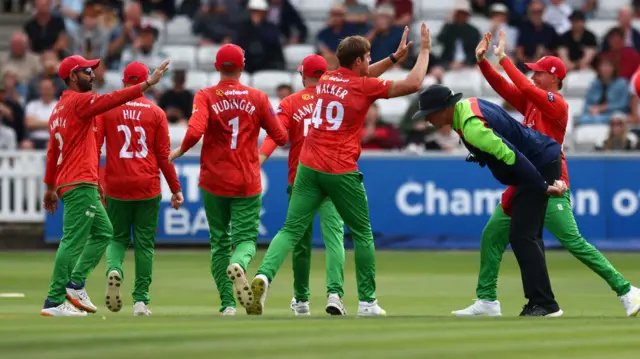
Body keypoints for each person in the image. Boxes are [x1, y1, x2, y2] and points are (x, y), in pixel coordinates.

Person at [453, 31, 640, 317]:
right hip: (526, 179)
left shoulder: (556, 104)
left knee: (572, 241)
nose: (533, 76)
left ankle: (627, 291)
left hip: (551, 180)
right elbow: (505, 89)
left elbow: (524, 89)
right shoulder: (532, 102)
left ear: (554, 78)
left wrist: (503, 59)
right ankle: (487, 300)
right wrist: (483, 63)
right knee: (492, 234)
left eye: (539, 73)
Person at [249, 24, 429, 317]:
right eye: (368, 57)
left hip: (307, 166)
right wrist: (426, 51)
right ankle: (368, 303)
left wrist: (394, 58)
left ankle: (264, 277)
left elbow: (364, 76)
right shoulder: (361, 85)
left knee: (290, 229)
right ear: (358, 62)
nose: (370, 62)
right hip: (340, 168)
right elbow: (414, 83)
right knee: (362, 234)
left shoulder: (328, 78)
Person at [413, 83, 568, 317]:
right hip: (540, 158)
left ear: (444, 109)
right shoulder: (468, 106)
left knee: (523, 235)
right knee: (522, 235)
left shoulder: (472, 127)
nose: (427, 121)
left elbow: (512, 157)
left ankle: (545, 304)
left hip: (537, 165)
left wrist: (542, 186)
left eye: (429, 114)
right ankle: (504, 302)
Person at [40, 55, 169, 317]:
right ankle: (54, 301)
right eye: (86, 71)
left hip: (73, 181)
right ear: (72, 76)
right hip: (79, 181)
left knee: (104, 232)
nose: (92, 75)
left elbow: (53, 152)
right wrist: (147, 84)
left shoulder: (58, 110)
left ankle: (76, 284)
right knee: (72, 241)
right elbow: (113, 100)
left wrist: (50, 187)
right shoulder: (80, 102)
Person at [168, 44, 289, 316]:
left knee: (219, 241)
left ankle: (227, 304)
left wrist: (179, 151)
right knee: (245, 239)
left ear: (216, 67)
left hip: (213, 180)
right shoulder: (257, 97)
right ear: (242, 67)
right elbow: (281, 137)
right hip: (246, 179)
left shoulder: (205, 95)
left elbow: (195, 130)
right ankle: (239, 265)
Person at [258, 55, 347, 316]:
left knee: (298, 240)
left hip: (301, 178)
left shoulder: (291, 103)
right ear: (326, 75)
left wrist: (259, 160)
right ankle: (334, 294)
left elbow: (277, 136)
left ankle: (301, 299)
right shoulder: (338, 100)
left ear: (302, 75)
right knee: (334, 239)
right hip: (333, 175)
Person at [95, 62, 184, 316]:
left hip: (116, 184)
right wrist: (175, 189)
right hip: (147, 184)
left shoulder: (107, 110)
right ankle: (141, 301)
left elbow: (96, 148)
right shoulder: (156, 113)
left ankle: (114, 269)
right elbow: (163, 155)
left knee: (117, 238)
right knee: (144, 244)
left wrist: (96, 179)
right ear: (147, 81)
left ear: (124, 81)